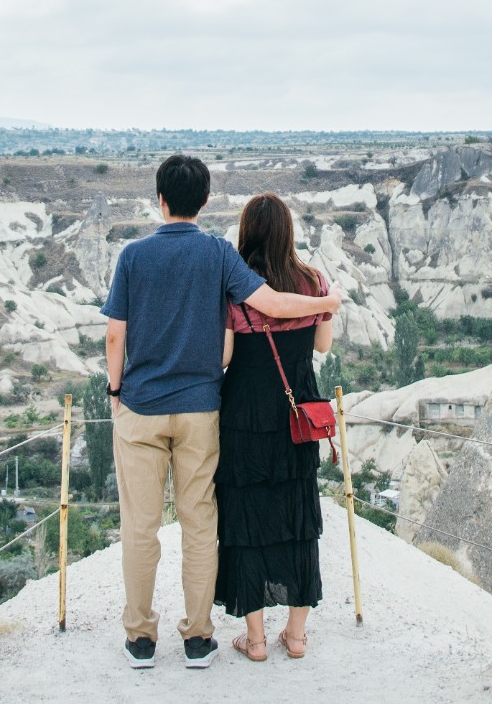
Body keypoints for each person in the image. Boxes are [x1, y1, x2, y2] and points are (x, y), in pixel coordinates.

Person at [104, 154, 343, 670]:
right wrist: (329, 302)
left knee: (140, 529)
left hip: (145, 408)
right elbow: (276, 306)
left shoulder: (132, 256)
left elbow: (115, 333)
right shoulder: (217, 255)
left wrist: (115, 390)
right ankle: (197, 639)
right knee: (200, 525)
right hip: (201, 411)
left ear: (159, 199)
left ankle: (141, 641)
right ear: (206, 200)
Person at [216, 191, 333, 662]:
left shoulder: (235, 289)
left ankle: (257, 640)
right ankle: (297, 636)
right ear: (288, 233)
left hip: (244, 417)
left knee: (245, 520)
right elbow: (322, 345)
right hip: (297, 414)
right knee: (296, 517)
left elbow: (223, 357)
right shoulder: (313, 281)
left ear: (247, 234)